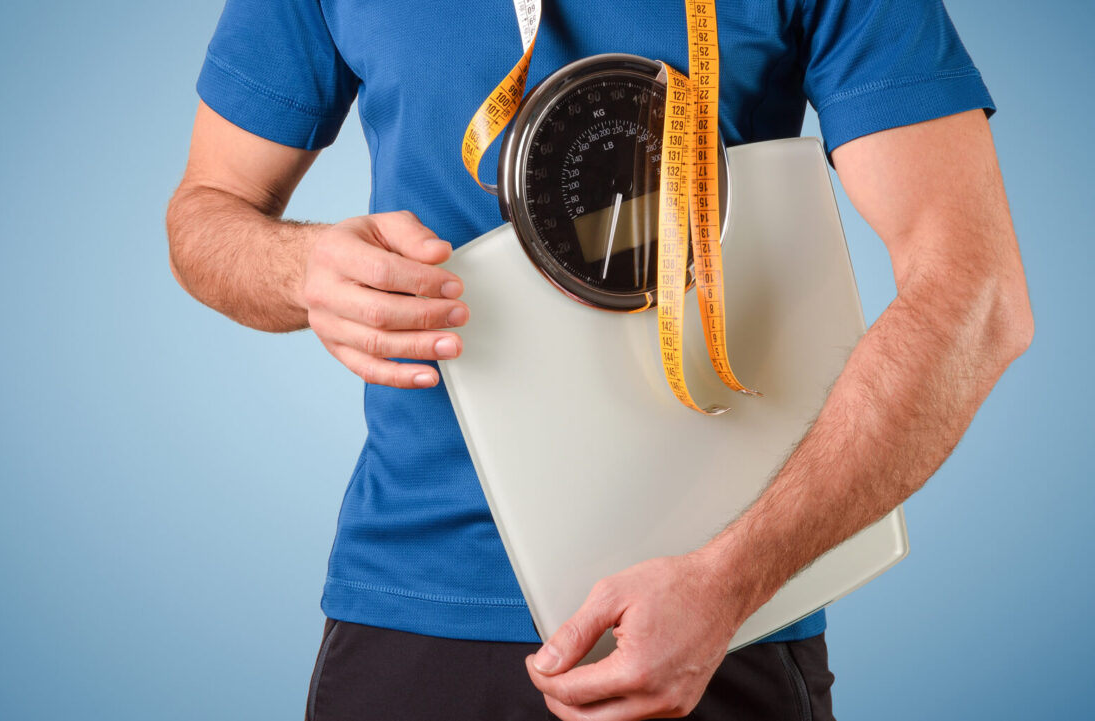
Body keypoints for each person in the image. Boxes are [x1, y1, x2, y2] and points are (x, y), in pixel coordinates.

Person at [165, 1, 1033, 719]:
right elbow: (207, 212)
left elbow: (979, 296)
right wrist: (300, 268)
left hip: (715, 628)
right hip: (409, 614)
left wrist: (728, 582)